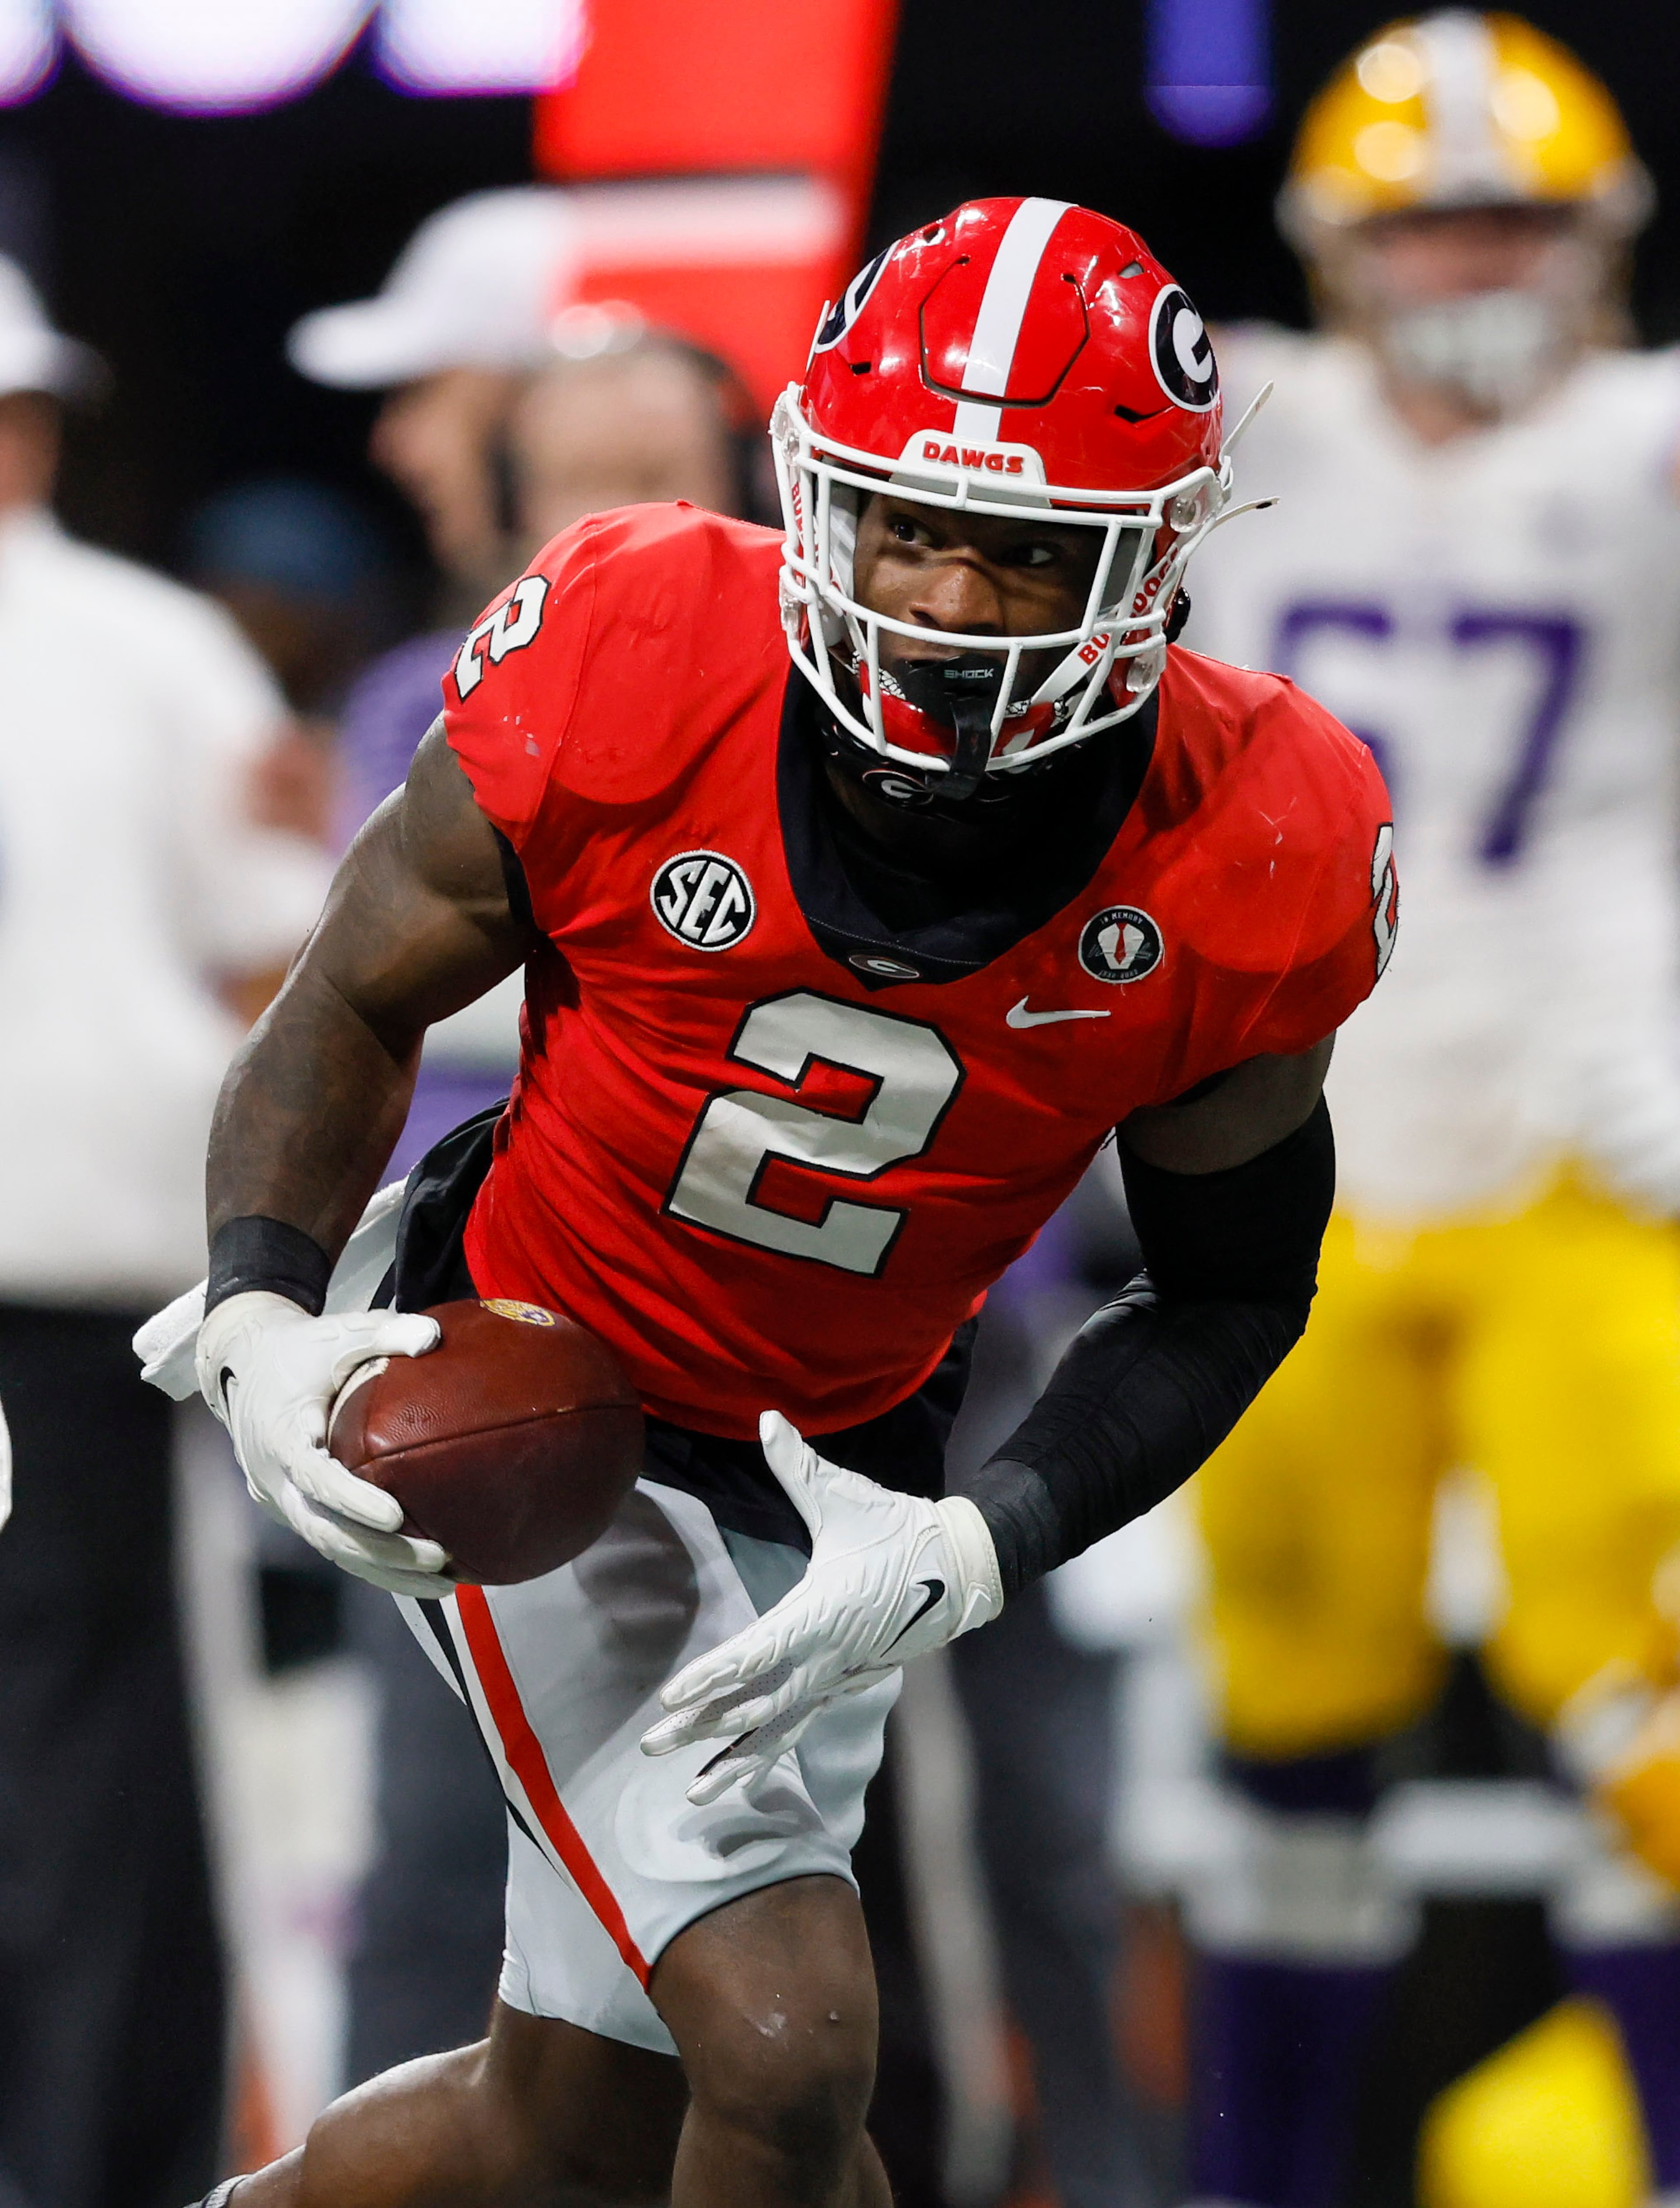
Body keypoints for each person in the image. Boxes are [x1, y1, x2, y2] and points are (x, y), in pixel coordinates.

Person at [174, 196, 1394, 2208]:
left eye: (1019, 551)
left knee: (578, 2127)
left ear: (1152, 565)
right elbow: (352, 995)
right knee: (789, 2035)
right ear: (809, 492)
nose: (937, 592)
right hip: (528, 1369)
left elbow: (1232, 1287)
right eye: (904, 522)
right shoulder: (641, 639)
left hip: (839, 1459)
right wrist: (259, 1302)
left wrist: (984, 1539)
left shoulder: (1258, 831)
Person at [1180, 15, 1680, 2204]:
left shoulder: (1660, 445)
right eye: (1429, 217)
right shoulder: (1237, 452)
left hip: (1611, 1130)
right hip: (1308, 1145)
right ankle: (1257, 2180)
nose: (1474, 260)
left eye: (1513, 215)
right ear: (1337, 247)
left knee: (1651, 1712)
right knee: (1290, 1716)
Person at [0, 258, 331, 2207]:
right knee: (94, 1789)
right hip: (66, 1314)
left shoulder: (149, 648)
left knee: (93, 1786)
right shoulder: (151, 650)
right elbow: (300, 970)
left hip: (71, 1309)